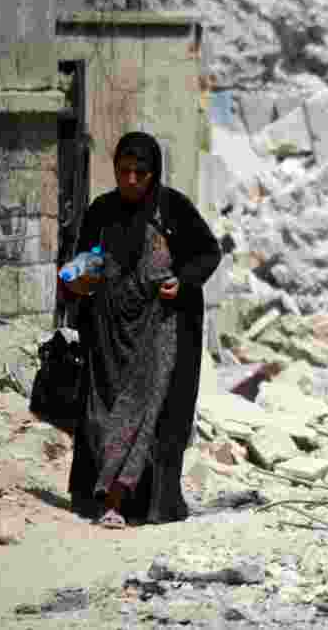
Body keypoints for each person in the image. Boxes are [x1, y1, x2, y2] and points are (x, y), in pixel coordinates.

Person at [62, 131, 221, 528]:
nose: (131, 180)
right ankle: (100, 496)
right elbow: (84, 259)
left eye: (140, 173)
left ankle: (122, 503)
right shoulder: (101, 211)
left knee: (147, 414)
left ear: (153, 174)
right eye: (123, 171)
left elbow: (207, 252)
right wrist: (76, 280)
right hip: (109, 335)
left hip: (161, 331)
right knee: (103, 416)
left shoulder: (172, 209)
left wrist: (182, 281)